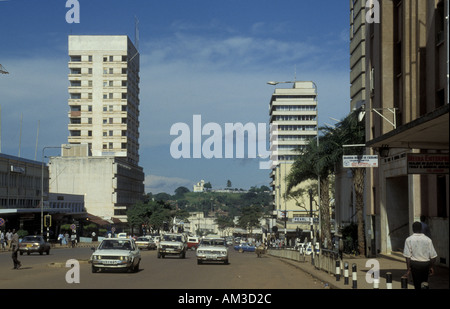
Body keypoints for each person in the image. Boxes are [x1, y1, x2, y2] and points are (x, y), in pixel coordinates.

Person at [403, 221, 437, 289]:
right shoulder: (428, 240)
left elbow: (408, 257)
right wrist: (431, 267)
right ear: (421, 229)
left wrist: (408, 270)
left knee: (417, 284)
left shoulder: (409, 240)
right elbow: (433, 257)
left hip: (415, 265)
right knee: (424, 283)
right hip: (425, 265)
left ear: (413, 229)